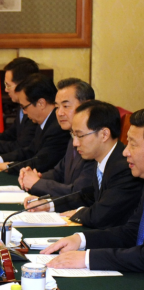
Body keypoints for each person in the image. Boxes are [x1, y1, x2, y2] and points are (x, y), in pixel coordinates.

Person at [41, 108, 144, 272]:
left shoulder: (122, 168)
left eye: (133, 144)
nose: (126, 152)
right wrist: (80, 240)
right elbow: (132, 233)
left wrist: (88, 259)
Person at [25, 100, 142, 228]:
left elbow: (101, 214)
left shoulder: (124, 166)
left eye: (80, 135)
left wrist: (78, 213)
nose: (75, 143)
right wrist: (49, 204)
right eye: (73, 135)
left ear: (104, 134)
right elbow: (85, 196)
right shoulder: (101, 160)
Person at [19, 78, 96, 200]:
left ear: (87, 105)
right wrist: (35, 176)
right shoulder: (73, 137)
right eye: (57, 107)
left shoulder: (94, 143)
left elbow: (78, 192)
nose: (59, 113)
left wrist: (37, 183)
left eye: (65, 106)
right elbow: (59, 172)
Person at [0, 74, 69, 174]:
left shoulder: (58, 127)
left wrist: (8, 166)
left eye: (24, 107)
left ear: (41, 103)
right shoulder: (44, 121)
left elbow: (40, 163)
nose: (24, 112)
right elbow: (29, 151)